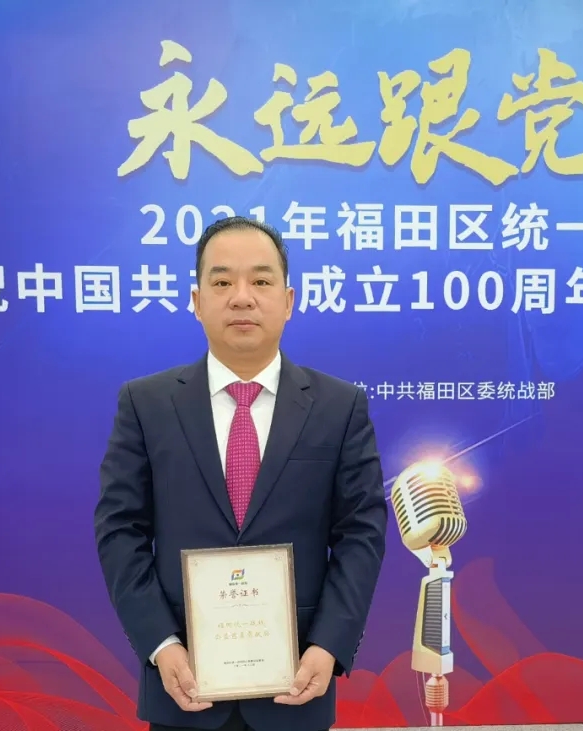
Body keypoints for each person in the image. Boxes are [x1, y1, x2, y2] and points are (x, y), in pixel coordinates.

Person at [93, 216, 388, 731]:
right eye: (223, 281)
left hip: (296, 686)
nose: (242, 297)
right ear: (196, 300)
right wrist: (160, 644)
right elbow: (120, 530)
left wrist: (329, 645)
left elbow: (361, 532)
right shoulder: (146, 404)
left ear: (289, 300)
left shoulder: (340, 407)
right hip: (183, 688)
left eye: (261, 280)